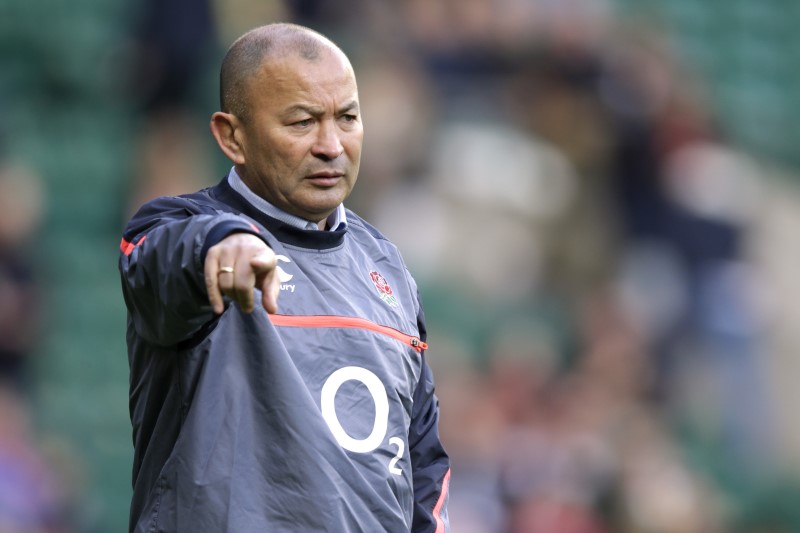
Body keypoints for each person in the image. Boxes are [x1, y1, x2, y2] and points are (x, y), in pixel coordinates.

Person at [118, 22, 451, 532]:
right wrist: (222, 243)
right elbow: (162, 263)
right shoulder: (176, 229)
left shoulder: (388, 268)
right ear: (233, 137)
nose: (331, 145)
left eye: (348, 118)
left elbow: (421, 456)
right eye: (301, 122)